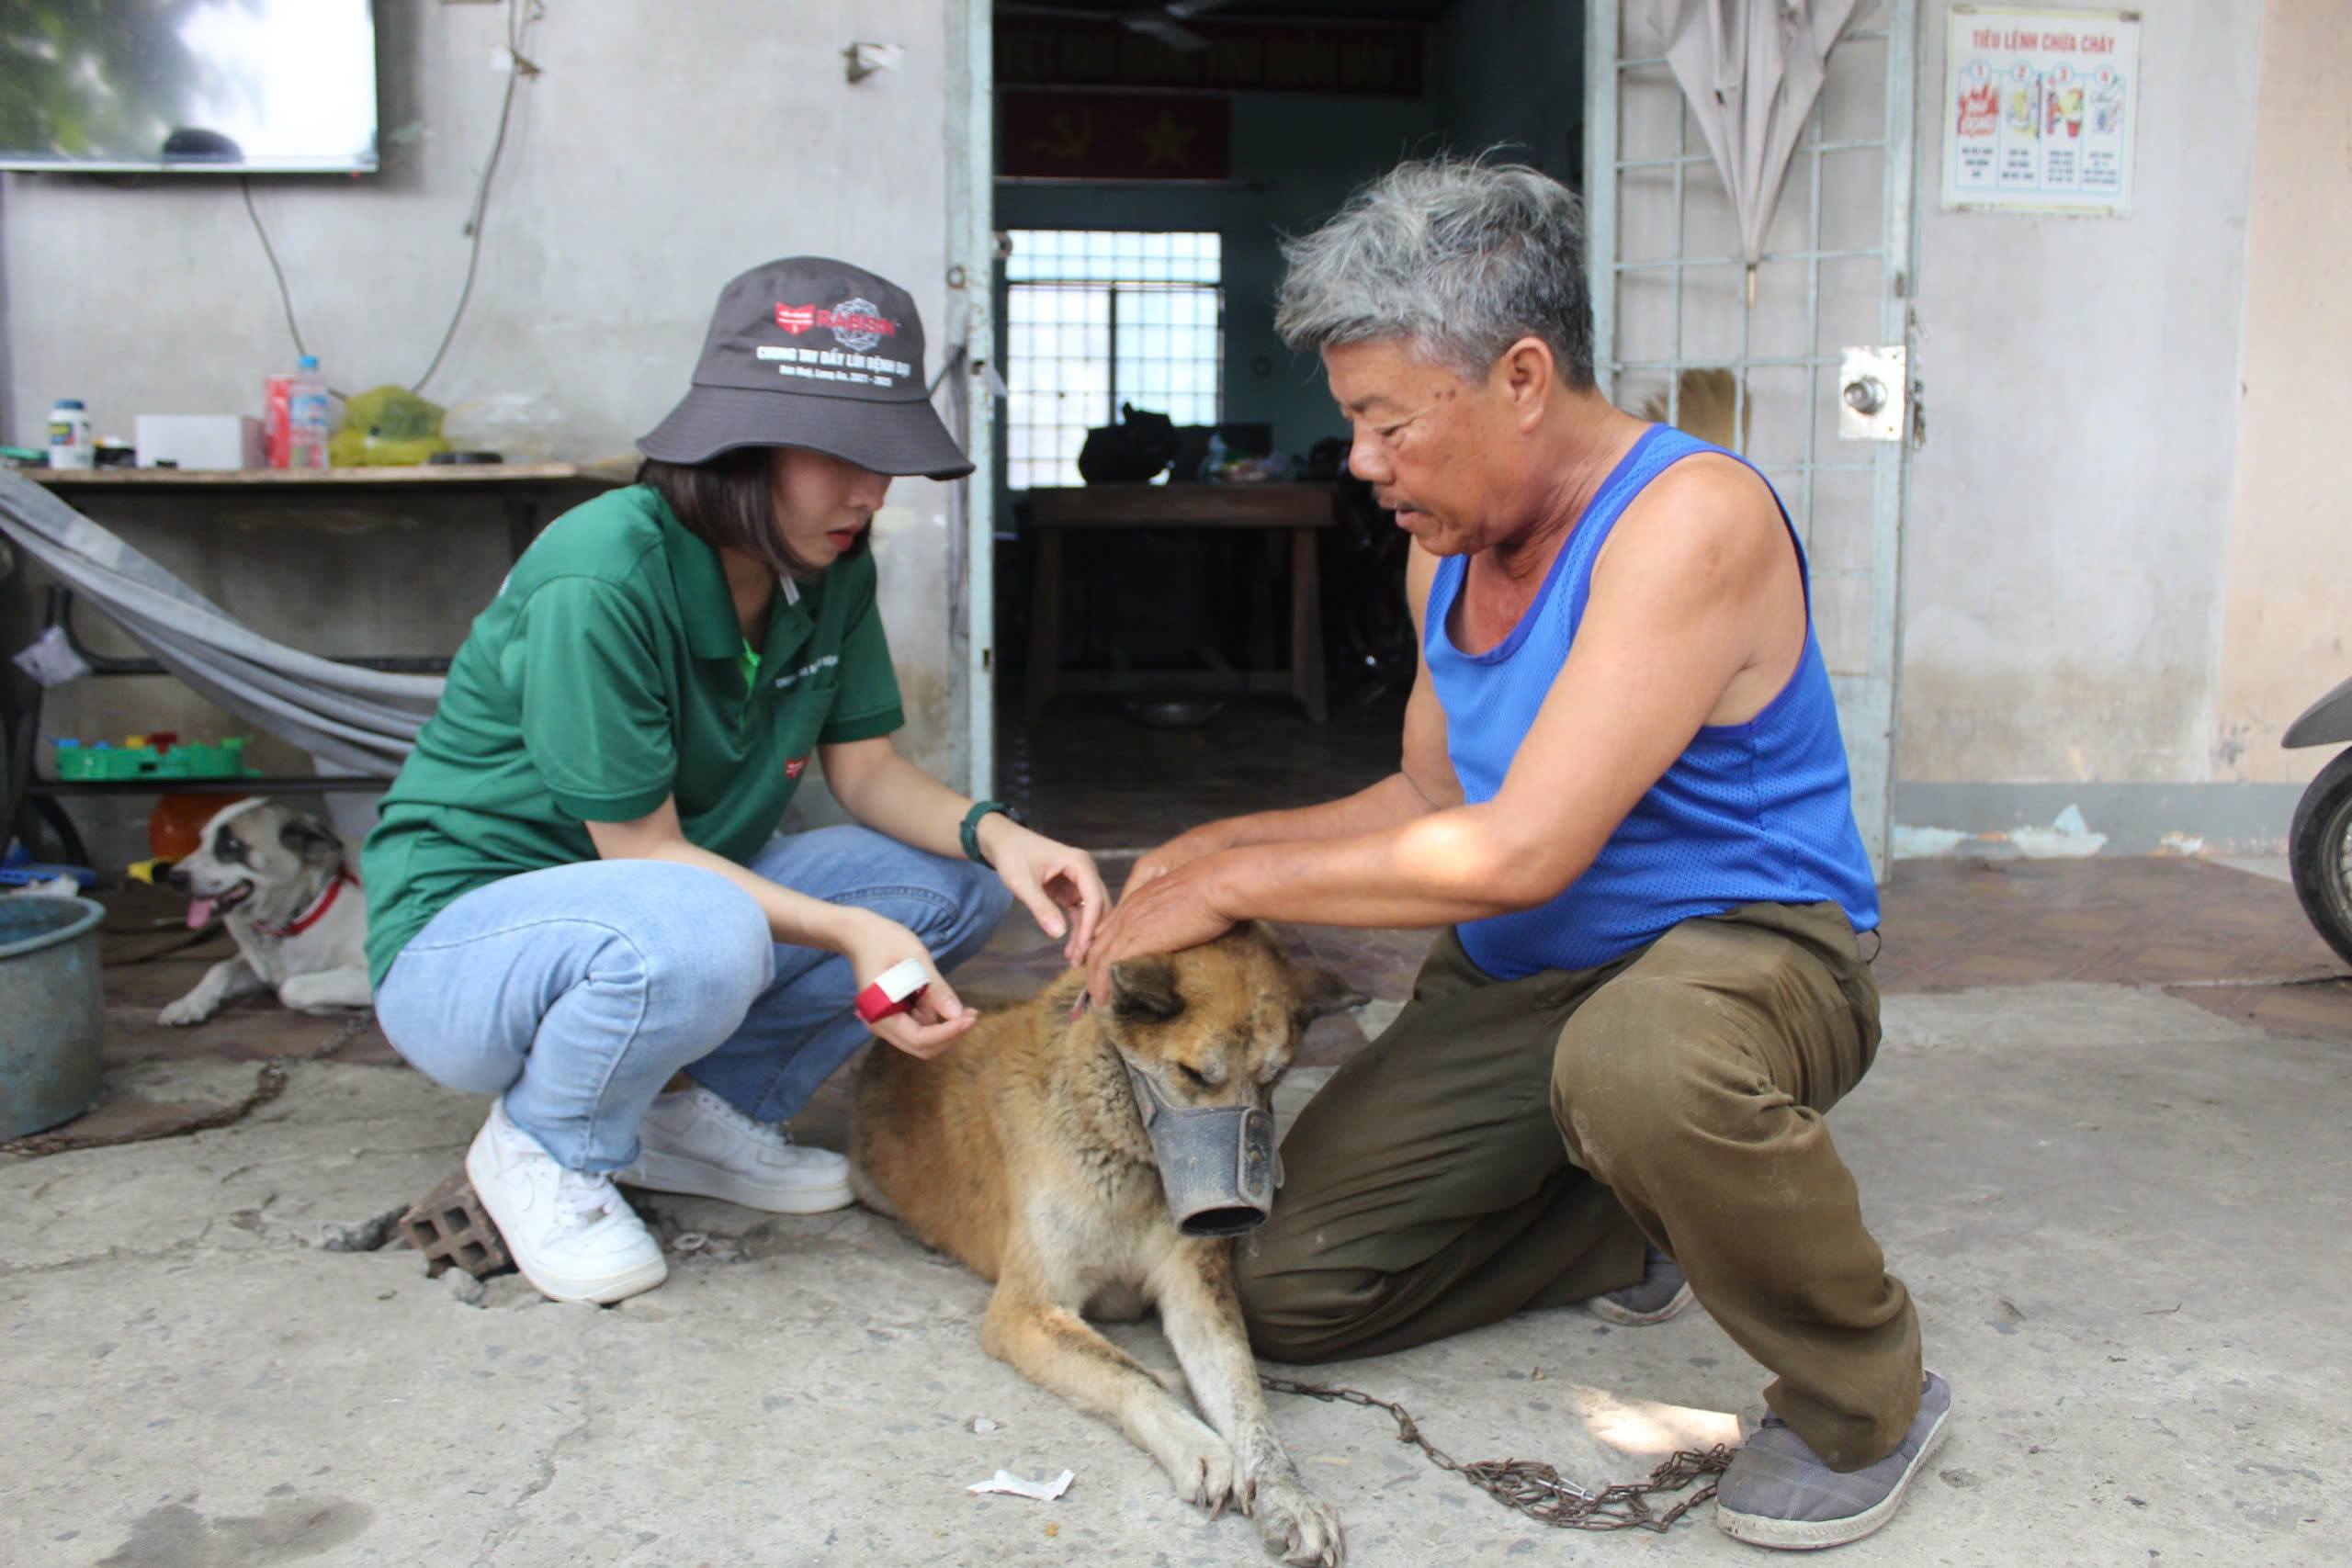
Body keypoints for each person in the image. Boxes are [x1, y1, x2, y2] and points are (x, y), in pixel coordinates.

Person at [1084, 161, 1943, 1551]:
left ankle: (1866, 1398)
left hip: (1744, 952)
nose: (1361, 461)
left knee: (1643, 1066)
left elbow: (1524, 846)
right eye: (1353, 423)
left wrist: (1236, 886)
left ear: (1523, 378)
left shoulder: (1688, 520)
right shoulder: (1446, 550)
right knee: (1280, 1290)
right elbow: (1432, 791)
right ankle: (1637, 1213)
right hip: (1526, 974)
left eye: (1385, 422)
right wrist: (1204, 846)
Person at [363, 258, 1106, 1307]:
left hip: (666, 907)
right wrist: (850, 932)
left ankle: (687, 1116)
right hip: (467, 948)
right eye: (843, 457)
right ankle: (543, 1145)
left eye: (886, 461)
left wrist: (1002, 835)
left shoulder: (828, 564)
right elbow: (644, 855)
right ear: (739, 446)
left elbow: (868, 772)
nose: (871, 492)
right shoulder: (601, 574)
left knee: (954, 883)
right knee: (704, 928)